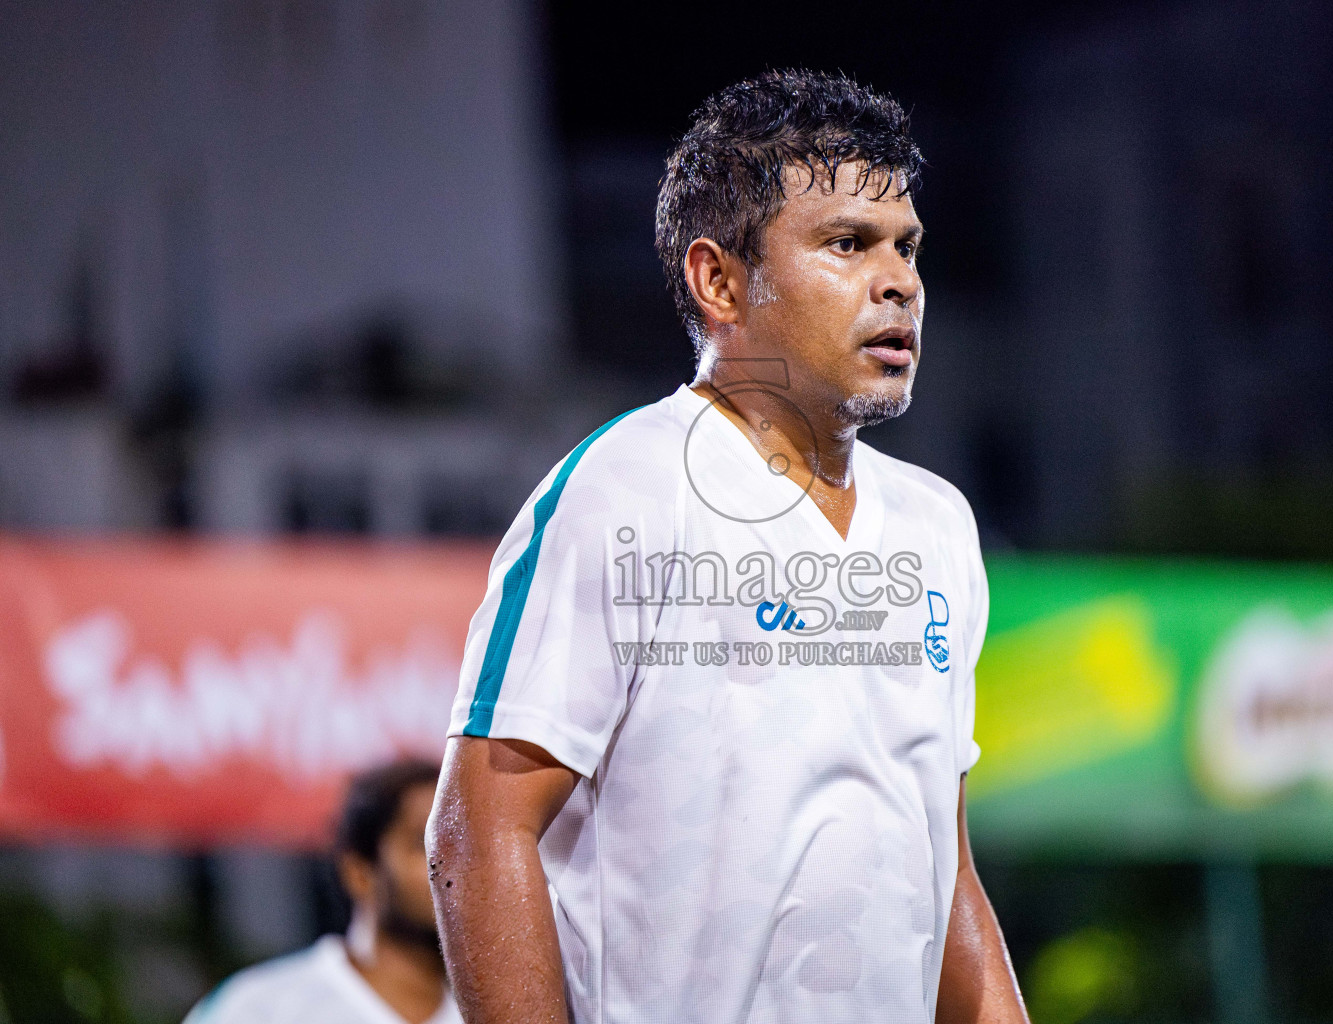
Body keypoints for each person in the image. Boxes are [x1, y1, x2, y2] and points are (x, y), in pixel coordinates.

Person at [429, 69, 1030, 1024]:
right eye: (847, 243)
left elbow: (942, 866)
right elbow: (479, 830)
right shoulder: (621, 490)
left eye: (907, 247)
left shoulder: (938, 526)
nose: (900, 281)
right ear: (720, 280)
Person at [185, 760, 461, 1024]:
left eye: (463, 844)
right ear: (360, 872)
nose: (454, 863)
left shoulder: (486, 1015)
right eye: (424, 842)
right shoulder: (258, 1010)